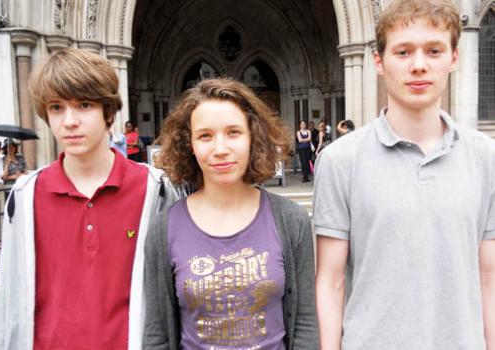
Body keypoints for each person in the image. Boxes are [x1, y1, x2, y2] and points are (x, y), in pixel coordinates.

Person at [314, 0, 495, 349]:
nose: (419, 66)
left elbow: (489, 276)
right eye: (403, 52)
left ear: (453, 58)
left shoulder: (485, 157)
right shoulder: (340, 160)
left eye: (433, 50)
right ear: (379, 62)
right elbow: (330, 281)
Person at [0, 48, 178, 350]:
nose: (69, 121)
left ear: (108, 111)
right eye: (56, 107)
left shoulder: (153, 190)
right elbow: (9, 301)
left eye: (84, 105)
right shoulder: (25, 197)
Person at [143, 78, 318, 349]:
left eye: (233, 132)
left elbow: (306, 322)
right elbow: (157, 336)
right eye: (205, 136)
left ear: (253, 138)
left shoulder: (292, 220)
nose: (220, 149)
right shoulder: (163, 228)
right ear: (189, 143)